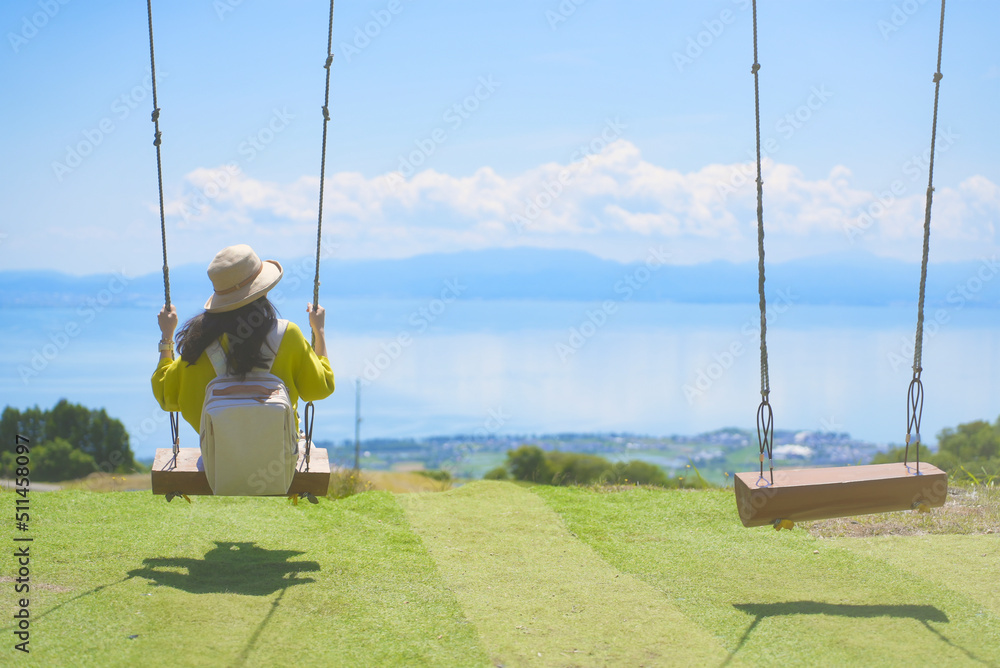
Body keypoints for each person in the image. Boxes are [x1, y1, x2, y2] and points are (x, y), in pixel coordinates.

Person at [152, 244, 334, 437]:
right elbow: (320, 388)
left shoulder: (198, 344)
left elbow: (166, 396)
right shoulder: (288, 335)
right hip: (280, 463)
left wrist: (167, 336)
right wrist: (319, 330)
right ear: (262, 290)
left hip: (218, 464)